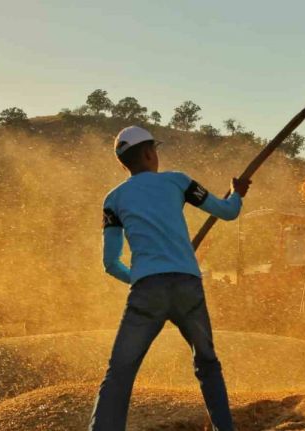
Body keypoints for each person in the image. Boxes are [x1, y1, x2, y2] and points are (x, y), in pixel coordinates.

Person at [89, 125, 250, 431]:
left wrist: (140, 277)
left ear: (123, 163)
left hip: (147, 293)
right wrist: (237, 193)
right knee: (207, 364)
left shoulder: (113, 199)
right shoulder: (178, 182)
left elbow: (110, 263)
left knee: (120, 373)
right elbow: (228, 212)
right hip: (188, 287)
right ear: (150, 153)